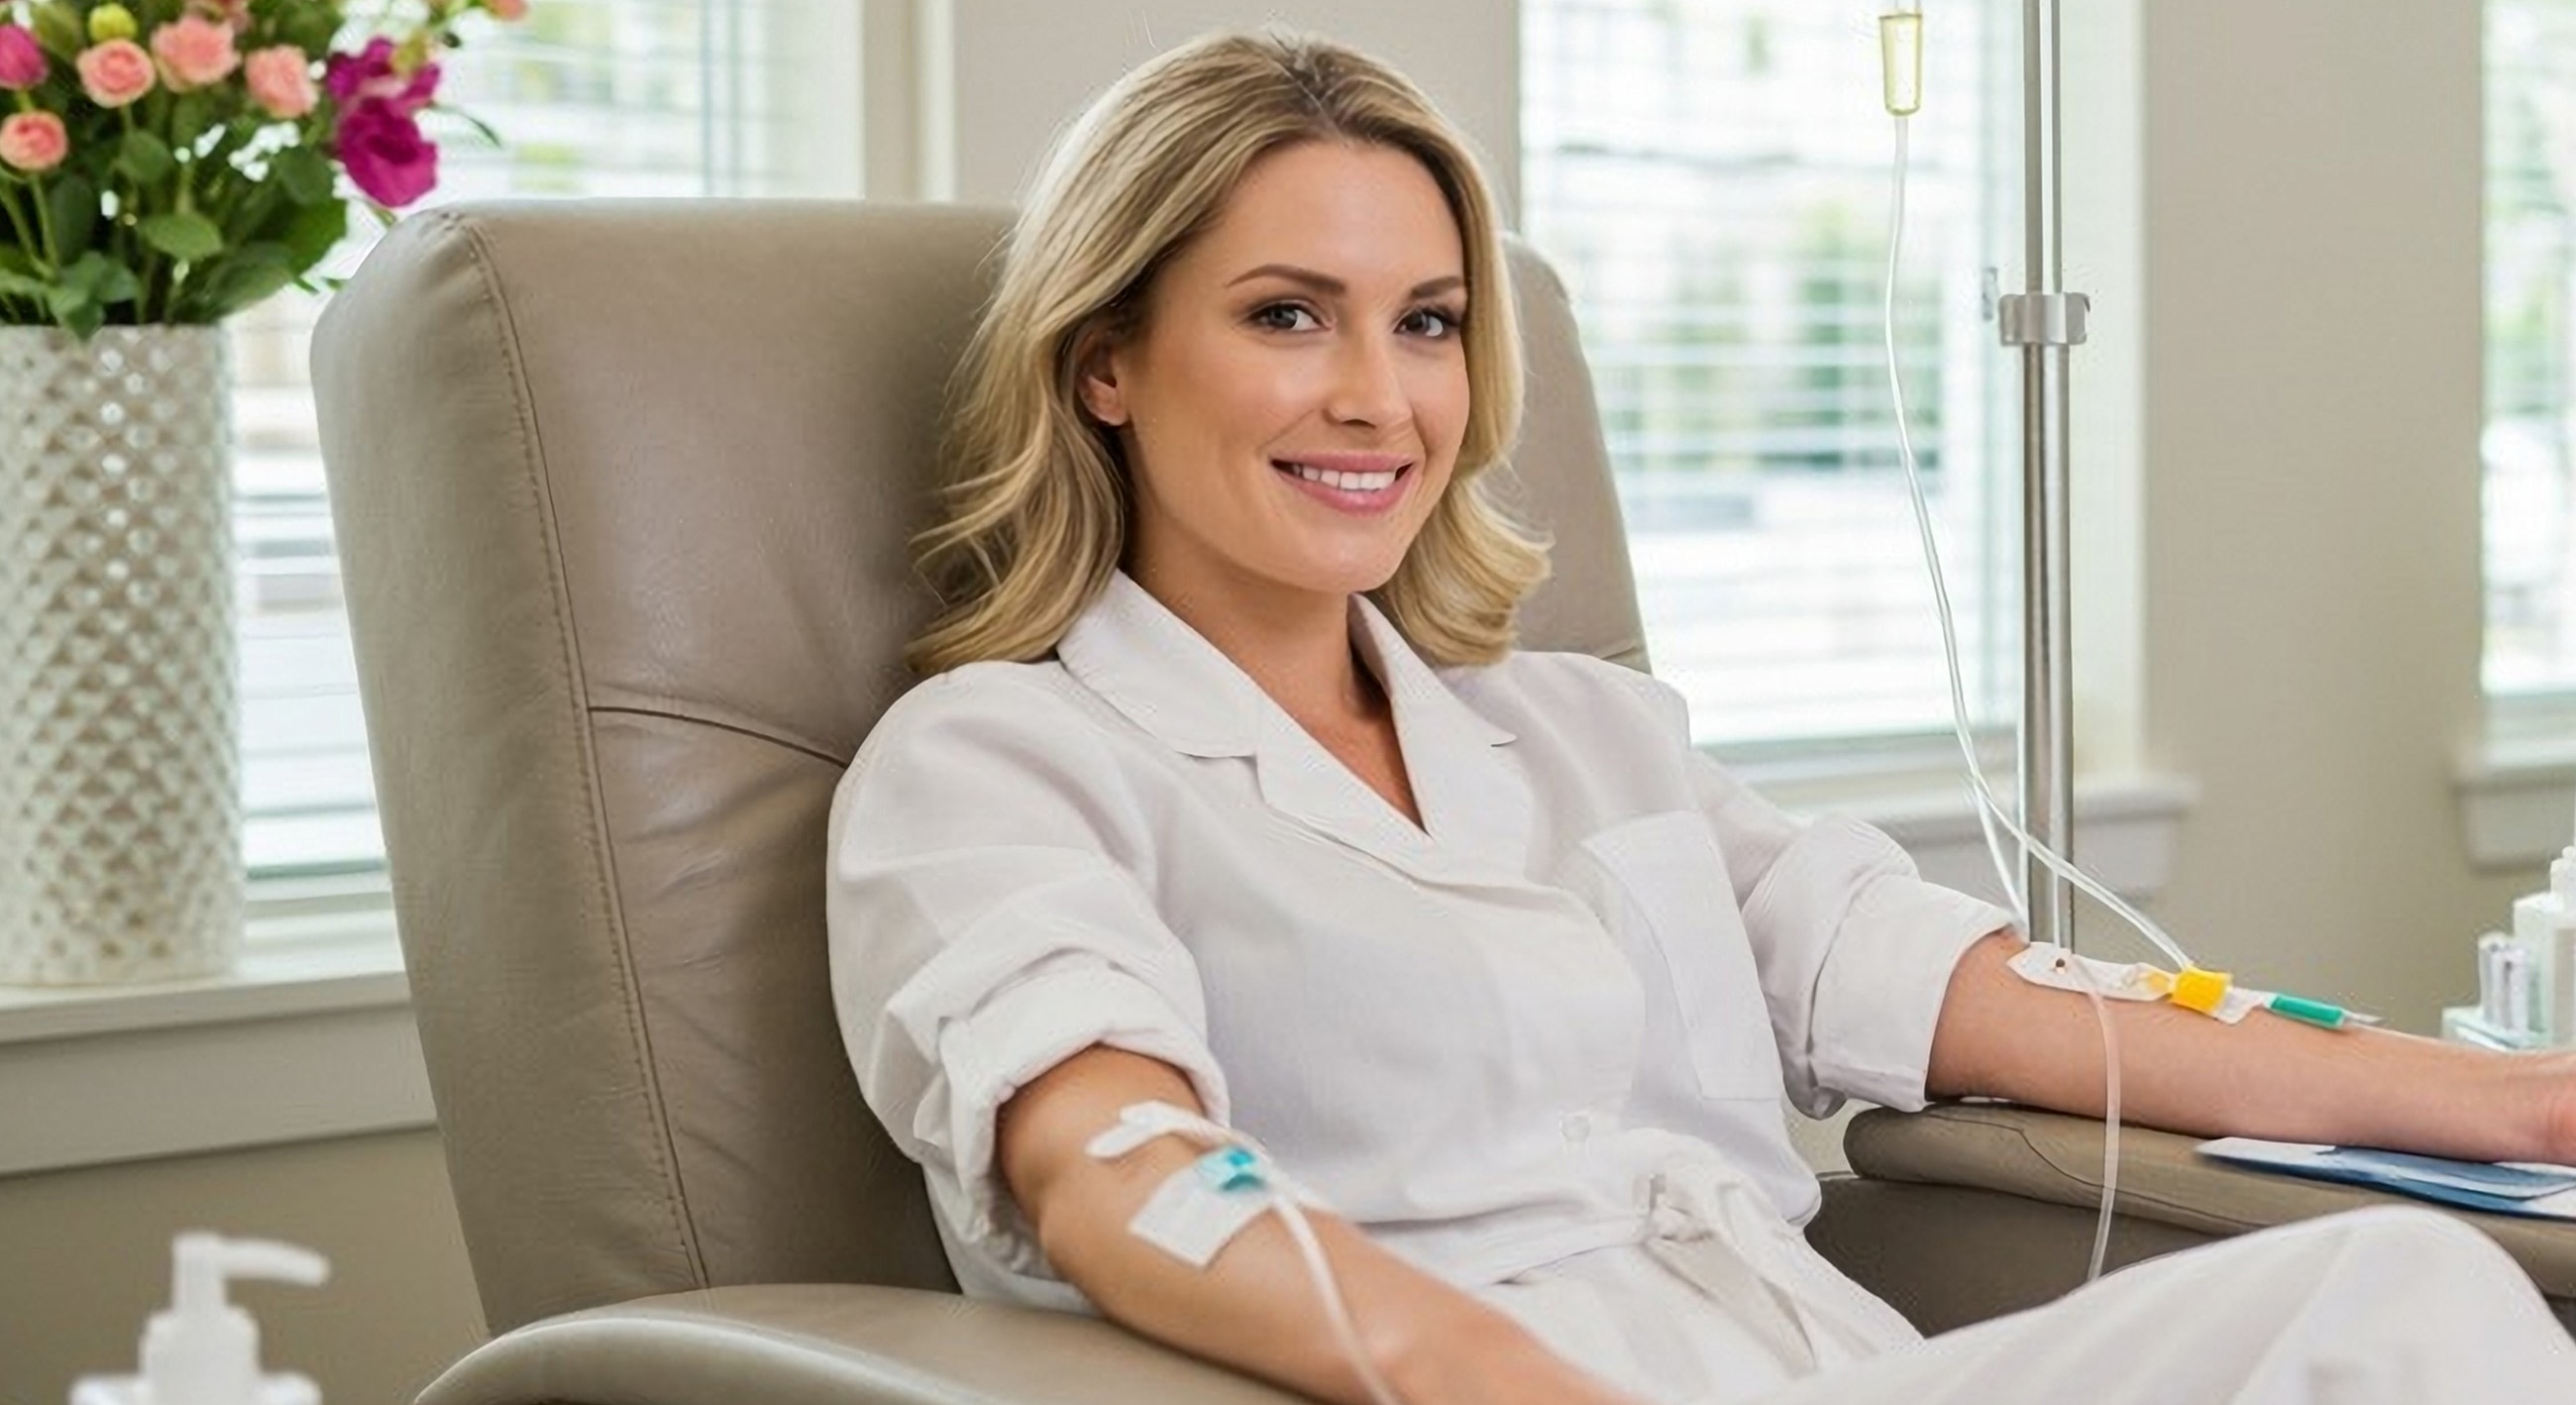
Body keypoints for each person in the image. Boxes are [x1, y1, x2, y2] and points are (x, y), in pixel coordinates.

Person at [824, 27, 2576, 1405]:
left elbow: (1974, 990)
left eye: (1426, 324)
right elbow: (1112, 1165)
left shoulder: (1592, 734)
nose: (1378, 397)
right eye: (1289, 316)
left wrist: (2512, 1104)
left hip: (1831, 1364)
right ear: (1102, 361)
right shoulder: (1000, 762)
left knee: (2403, 1295)